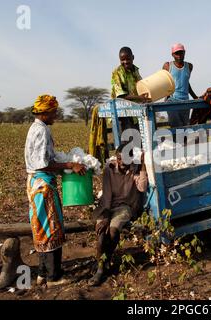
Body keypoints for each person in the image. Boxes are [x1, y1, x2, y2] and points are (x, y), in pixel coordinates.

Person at [25, 94, 86, 286]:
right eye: (53, 112)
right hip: (42, 186)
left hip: (36, 183)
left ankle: (43, 273)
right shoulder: (41, 131)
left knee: (41, 227)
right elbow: (42, 164)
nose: (55, 116)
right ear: (44, 113)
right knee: (51, 229)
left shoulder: (36, 128)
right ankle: (53, 277)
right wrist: (69, 164)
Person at [89, 144, 148, 286]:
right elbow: (107, 196)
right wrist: (105, 218)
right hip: (106, 206)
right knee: (102, 234)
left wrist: (143, 166)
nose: (122, 163)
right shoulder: (109, 169)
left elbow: (142, 187)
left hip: (124, 207)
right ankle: (102, 266)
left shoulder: (134, 169)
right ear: (117, 158)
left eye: (126, 160)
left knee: (113, 231)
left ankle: (102, 266)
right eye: (120, 159)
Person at [111, 47, 151, 137]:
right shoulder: (117, 73)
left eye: (128, 59)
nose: (125, 62)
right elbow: (121, 96)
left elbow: (141, 86)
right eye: (122, 60)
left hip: (135, 111)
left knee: (138, 140)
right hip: (122, 111)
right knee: (127, 141)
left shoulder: (135, 71)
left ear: (133, 57)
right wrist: (140, 97)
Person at [163, 43, 198, 129]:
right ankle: (177, 141)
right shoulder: (167, 66)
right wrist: (165, 96)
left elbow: (186, 83)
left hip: (185, 100)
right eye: (176, 53)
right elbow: (163, 82)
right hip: (172, 100)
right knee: (176, 125)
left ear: (184, 53)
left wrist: (195, 97)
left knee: (185, 126)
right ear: (172, 55)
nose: (179, 56)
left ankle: (183, 142)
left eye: (181, 53)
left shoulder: (189, 66)